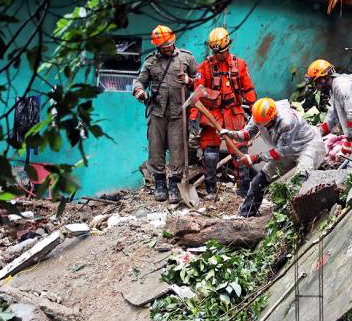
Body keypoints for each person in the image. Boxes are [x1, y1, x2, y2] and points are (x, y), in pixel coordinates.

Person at [221, 98, 326, 217]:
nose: (263, 127)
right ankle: (245, 215)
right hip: (287, 150)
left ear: (273, 117)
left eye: (266, 124)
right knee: (258, 181)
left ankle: (302, 214)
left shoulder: (287, 121)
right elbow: (246, 134)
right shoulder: (259, 117)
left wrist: (253, 158)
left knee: (301, 179)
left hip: (307, 145)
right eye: (259, 124)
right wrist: (230, 134)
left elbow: (279, 152)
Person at [188, 27, 257, 197]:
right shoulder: (204, 67)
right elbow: (197, 95)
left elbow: (248, 89)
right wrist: (193, 118)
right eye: (217, 52)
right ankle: (211, 189)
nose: (221, 55)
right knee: (210, 155)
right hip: (213, 115)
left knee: (241, 154)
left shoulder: (239, 64)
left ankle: (244, 189)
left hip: (234, 113)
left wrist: (255, 109)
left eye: (223, 51)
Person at [133, 25, 197, 203]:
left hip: (179, 113)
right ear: (158, 46)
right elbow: (139, 82)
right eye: (164, 46)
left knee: (177, 150)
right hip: (157, 112)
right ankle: (160, 183)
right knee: (156, 150)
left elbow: (199, 83)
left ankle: (175, 185)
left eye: (170, 44)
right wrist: (139, 92)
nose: (168, 47)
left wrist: (189, 80)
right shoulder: (150, 62)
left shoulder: (187, 58)